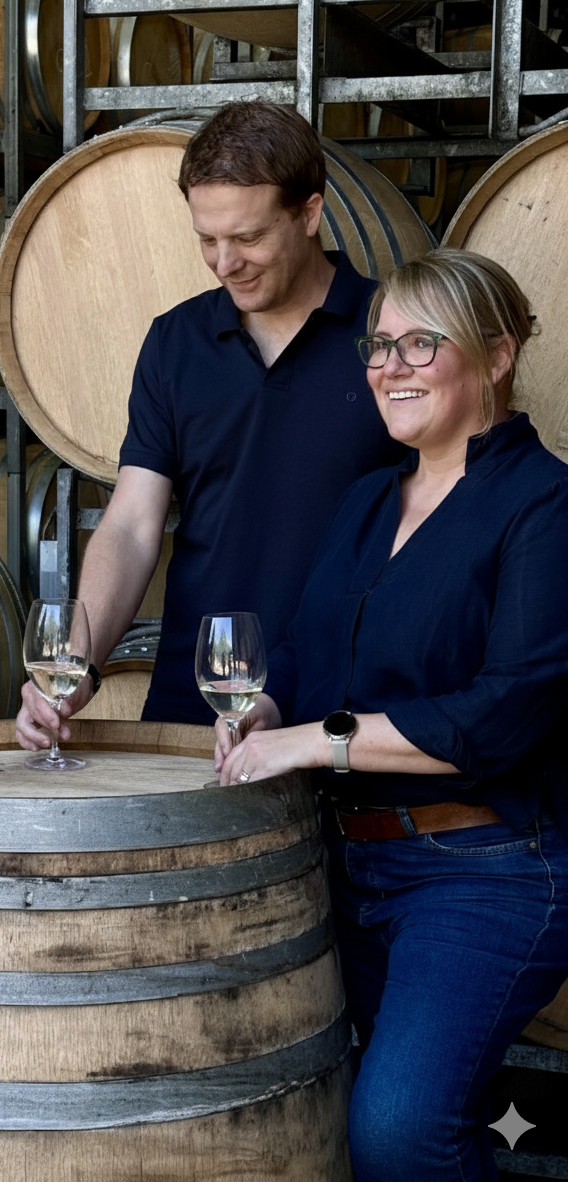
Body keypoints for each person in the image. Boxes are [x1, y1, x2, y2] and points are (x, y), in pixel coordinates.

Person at [215, 248, 568, 1181]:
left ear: (494, 356)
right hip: (338, 864)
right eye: (380, 345)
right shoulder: (370, 498)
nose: (391, 365)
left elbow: (502, 716)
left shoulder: (545, 505)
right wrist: (264, 708)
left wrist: (312, 740)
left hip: (479, 872)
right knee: (282, 1111)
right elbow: (299, 648)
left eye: (423, 342)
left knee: (402, 1134)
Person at [16, 101, 403, 752]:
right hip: (196, 703)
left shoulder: (390, 337)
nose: (225, 263)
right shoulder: (176, 342)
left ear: (309, 213)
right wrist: (78, 662)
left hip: (346, 713)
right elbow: (134, 524)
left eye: (248, 237)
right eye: (206, 238)